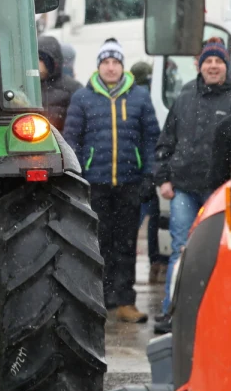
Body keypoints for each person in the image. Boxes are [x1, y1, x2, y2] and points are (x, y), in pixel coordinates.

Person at [63, 38, 159, 324]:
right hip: (96, 184)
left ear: (122, 66)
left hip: (130, 183)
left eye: (115, 62)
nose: (111, 67)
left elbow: (151, 139)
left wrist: (148, 175)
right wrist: (78, 177)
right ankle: (99, 302)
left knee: (126, 244)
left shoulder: (140, 97)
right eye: (106, 62)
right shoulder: (83, 97)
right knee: (97, 244)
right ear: (99, 66)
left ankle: (125, 302)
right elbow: (72, 140)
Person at [154, 37, 231, 333]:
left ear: (226, 65)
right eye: (208, 61)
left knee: (223, 254)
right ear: (200, 65)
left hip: (223, 194)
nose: (213, 66)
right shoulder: (184, 97)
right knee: (180, 251)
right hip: (184, 189)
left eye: (218, 61)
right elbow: (165, 143)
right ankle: (172, 313)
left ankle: (220, 317)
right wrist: (164, 179)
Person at [130, 61, 167, 284]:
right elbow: (153, 136)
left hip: (128, 171)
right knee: (154, 218)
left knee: (129, 226)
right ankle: (157, 262)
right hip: (147, 170)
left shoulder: (135, 96)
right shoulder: (146, 97)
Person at [38, 35, 81, 131]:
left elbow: (77, 127)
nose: (35, 63)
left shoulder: (72, 88)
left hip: (60, 144)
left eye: (40, 58)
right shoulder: (26, 88)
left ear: (50, 61)